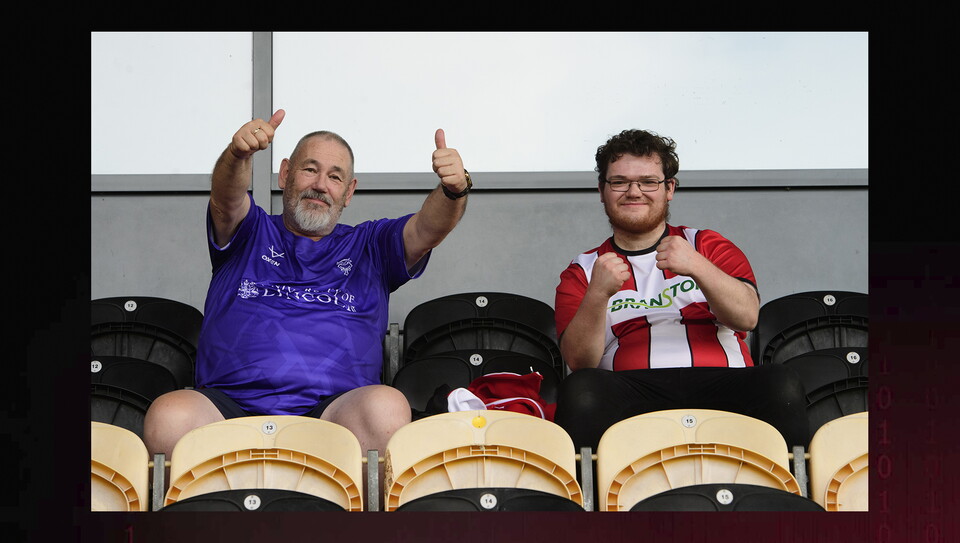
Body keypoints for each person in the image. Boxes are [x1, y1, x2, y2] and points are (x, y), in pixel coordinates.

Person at [143, 109, 471, 467]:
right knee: (169, 415)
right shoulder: (248, 232)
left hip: (333, 414)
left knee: (386, 407)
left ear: (349, 192)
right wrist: (238, 155)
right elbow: (226, 200)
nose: (320, 184)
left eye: (335, 176)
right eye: (310, 169)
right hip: (227, 408)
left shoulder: (371, 246)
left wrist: (454, 191)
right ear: (285, 174)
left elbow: (427, 230)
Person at [552, 129, 808, 451]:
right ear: (602, 190)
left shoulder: (707, 244)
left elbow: (747, 317)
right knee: (581, 389)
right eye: (619, 182)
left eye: (648, 181)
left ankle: (786, 498)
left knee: (780, 382)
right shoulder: (584, 270)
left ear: (669, 188)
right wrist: (598, 294)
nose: (634, 192)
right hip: (631, 389)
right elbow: (579, 362)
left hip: (722, 382)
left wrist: (698, 266)